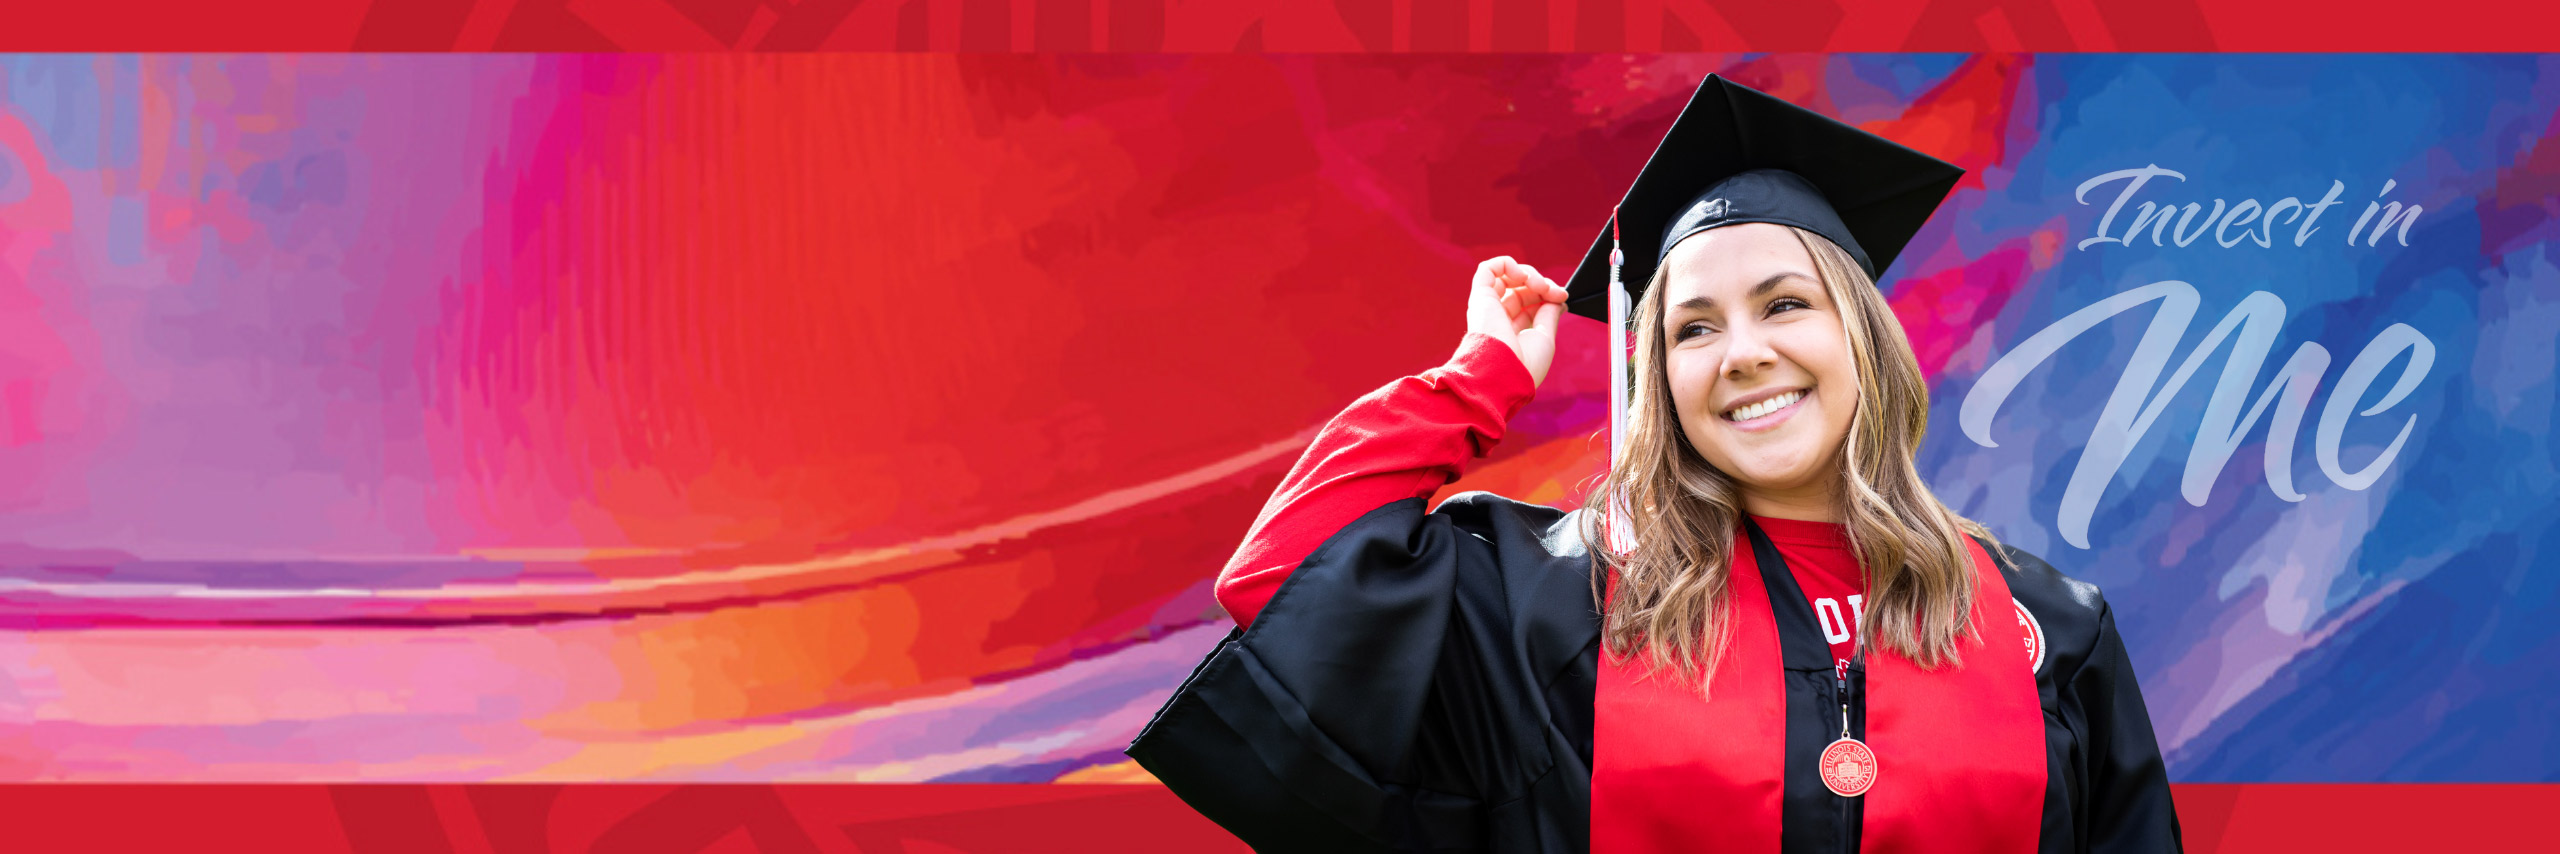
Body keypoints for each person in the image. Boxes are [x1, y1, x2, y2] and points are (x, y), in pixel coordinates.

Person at [1126, 74, 2181, 854]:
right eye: (1691, 328)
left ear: (1862, 335)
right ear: (1659, 376)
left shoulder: (2047, 629)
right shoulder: (1552, 598)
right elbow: (1286, 571)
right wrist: (1480, 376)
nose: (1744, 352)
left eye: (1784, 303)